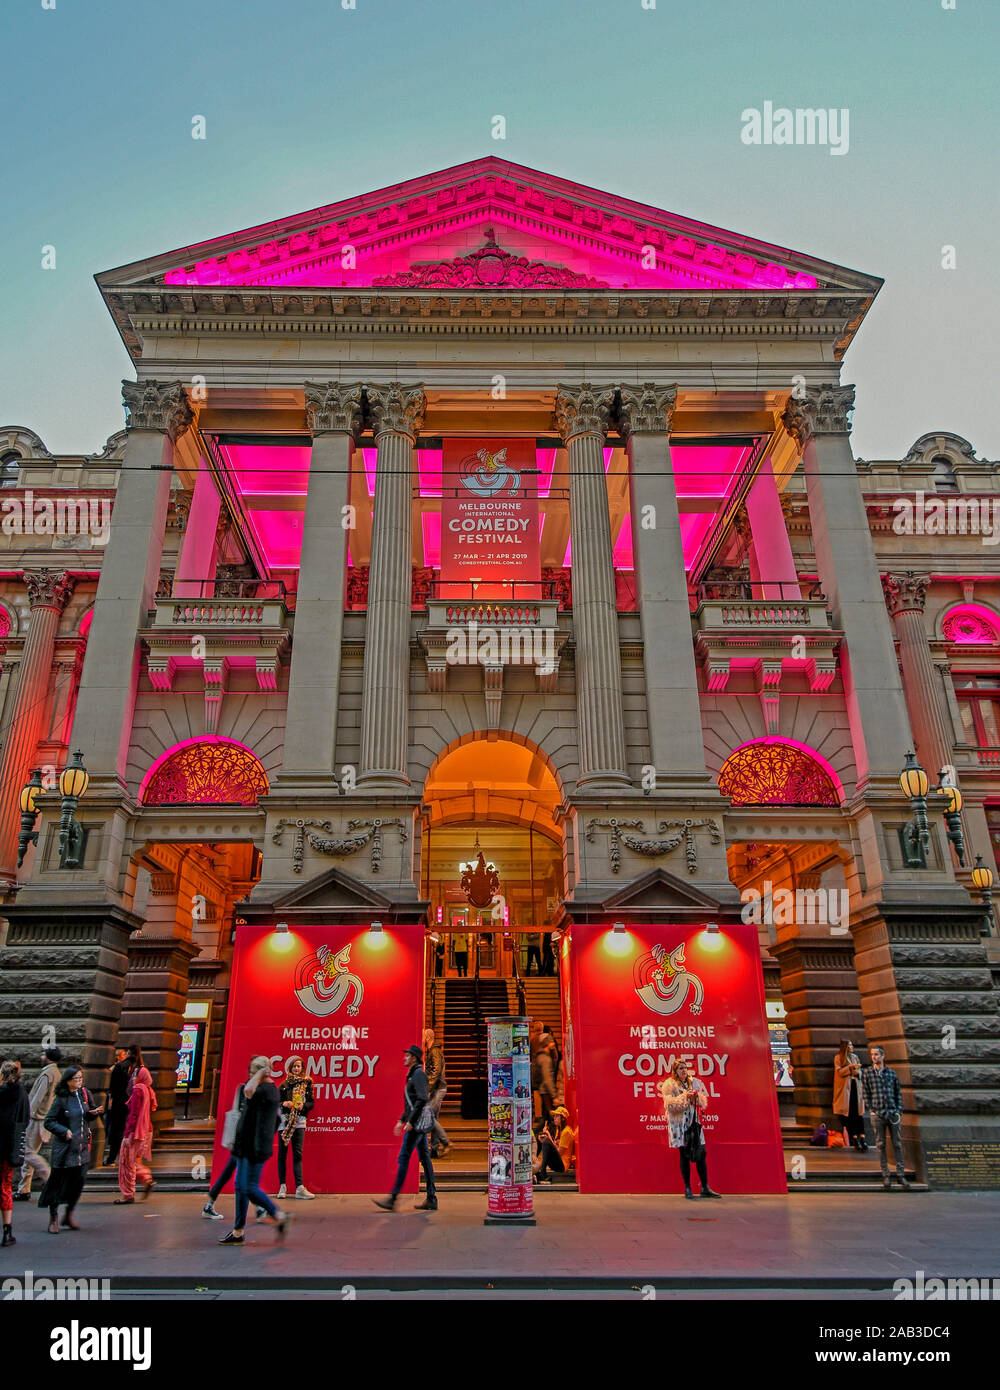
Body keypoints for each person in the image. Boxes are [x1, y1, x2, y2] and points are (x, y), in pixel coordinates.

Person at [219, 1055, 290, 1245]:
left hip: (254, 1147)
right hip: (246, 1145)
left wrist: (258, 1074)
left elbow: (247, 1091)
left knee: (248, 1187)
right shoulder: (263, 1088)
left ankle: (278, 1214)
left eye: (251, 1072)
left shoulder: (266, 1089)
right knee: (240, 1187)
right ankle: (237, 1230)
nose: (249, 1076)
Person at [38, 1065, 102, 1233]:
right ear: (68, 1081)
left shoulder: (84, 1095)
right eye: (76, 1079)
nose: (79, 1081)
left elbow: (87, 1115)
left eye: (81, 1078)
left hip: (80, 1146)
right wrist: (63, 1131)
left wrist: (95, 1113)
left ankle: (69, 1213)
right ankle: (54, 1217)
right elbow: (49, 1121)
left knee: (78, 1182)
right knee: (58, 1183)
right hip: (65, 1148)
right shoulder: (61, 1099)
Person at [374, 1045, 437, 1212]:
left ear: (414, 1058)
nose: (404, 1058)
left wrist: (410, 1122)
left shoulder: (418, 1074)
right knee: (424, 1157)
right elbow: (412, 1102)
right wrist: (401, 1120)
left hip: (416, 1126)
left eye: (407, 1056)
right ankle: (432, 1198)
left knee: (403, 1158)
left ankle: (393, 1198)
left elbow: (422, 1099)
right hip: (416, 1124)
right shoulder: (413, 1075)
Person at [661, 1058, 721, 1200]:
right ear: (675, 1071)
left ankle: (705, 1186)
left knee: (701, 1153)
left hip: (694, 1122)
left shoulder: (693, 1082)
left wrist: (695, 1097)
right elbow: (668, 1104)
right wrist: (684, 1097)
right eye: (680, 1068)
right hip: (680, 1124)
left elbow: (703, 1101)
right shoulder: (669, 1084)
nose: (684, 1071)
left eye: (685, 1067)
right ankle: (687, 1187)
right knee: (684, 1154)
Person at [15, 1045, 62, 1200]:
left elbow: (37, 1098)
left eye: (43, 1054)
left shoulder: (47, 1074)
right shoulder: (56, 1073)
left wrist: (26, 1116)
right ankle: (24, 1189)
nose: (41, 1057)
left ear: (48, 1057)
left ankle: (51, 1181)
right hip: (43, 1118)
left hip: (36, 1119)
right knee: (29, 1152)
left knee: (27, 1153)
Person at [862, 1044, 910, 1191]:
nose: (874, 1057)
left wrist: (898, 1111)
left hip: (892, 1112)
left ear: (883, 1056)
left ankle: (901, 1174)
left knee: (897, 1144)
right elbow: (865, 1093)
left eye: (876, 1054)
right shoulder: (868, 1073)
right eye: (872, 1054)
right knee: (880, 1145)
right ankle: (886, 1175)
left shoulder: (891, 1074)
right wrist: (871, 1110)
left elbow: (898, 1093)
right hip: (877, 1114)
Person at [115, 1064, 157, 1203]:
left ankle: (128, 1194)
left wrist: (128, 1134)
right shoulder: (149, 1090)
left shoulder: (138, 1091)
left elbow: (133, 1115)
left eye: (135, 1075)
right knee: (135, 1161)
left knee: (127, 1163)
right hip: (147, 1131)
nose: (133, 1078)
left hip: (136, 1132)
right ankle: (146, 1179)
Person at [0, 1060, 30, 1246]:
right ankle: (7, 1231)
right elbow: (25, 1119)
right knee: (5, 1187)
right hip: (9, 1148)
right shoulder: (21, 1093)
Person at [276, 1056, 315, 1200]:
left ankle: (299, 1187)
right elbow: (277, 1102)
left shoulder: (307, 1083)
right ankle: (282, 1186)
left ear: (302, 1068)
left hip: (299, 1121)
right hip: (284, 1122)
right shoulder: (284, 1084)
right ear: (290, 1068)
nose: (296, 1069)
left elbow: (311, 1102)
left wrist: (303, 1106)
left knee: (297, 1154)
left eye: (299, 1066)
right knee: (282, 1154)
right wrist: (284, 1104)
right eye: (294, 1066)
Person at [832, 1039, 867, 1150]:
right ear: (845, 1047)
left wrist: (858, 1073)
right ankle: (854, 1138)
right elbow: (839, 1072)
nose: (852, 1046)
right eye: (850, 1045)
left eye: (852, 1044)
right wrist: (849, 1068)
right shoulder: (838, 1058)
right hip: (845, 1089)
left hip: (856, 1086)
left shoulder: (855, 1057)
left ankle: (862, 1137)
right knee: (850, 1113)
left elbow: (860, 1071)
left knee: (858, 1113)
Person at [422, 1028, 450, 1159]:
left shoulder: (434, 1051)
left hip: (438, 1088)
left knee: (429, 1116)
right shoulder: (432, 1051)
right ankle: (434, 1149)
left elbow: (436, 1071)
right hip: (437, 1088)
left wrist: (428, 1087)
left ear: (427, 1037)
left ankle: (445, 1142)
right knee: (433, 1117)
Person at [102, 1047, 130, 1165]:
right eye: (124, 1055)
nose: (125, 1057)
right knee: (112, 1127)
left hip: (116, 1103)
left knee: (113, 1127)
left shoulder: (125, 1068)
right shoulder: (117, 1069)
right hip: (114, 1104)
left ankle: (112, 1155)